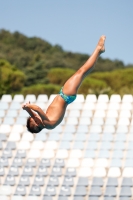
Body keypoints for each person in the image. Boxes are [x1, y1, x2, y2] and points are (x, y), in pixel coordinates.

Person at [22, 35, 106, 133]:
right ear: (37, 123)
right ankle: (98, 49)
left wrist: (26, 108)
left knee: (83, 72)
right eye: (34, 118)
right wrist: (29, 107)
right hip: (66, 95)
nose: (35, 116)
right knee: (81, 71)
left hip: (65, 95)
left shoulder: (42, 122)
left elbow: (34, 115)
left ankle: (99, 51)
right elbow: (37, 109)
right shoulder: (48, 124)